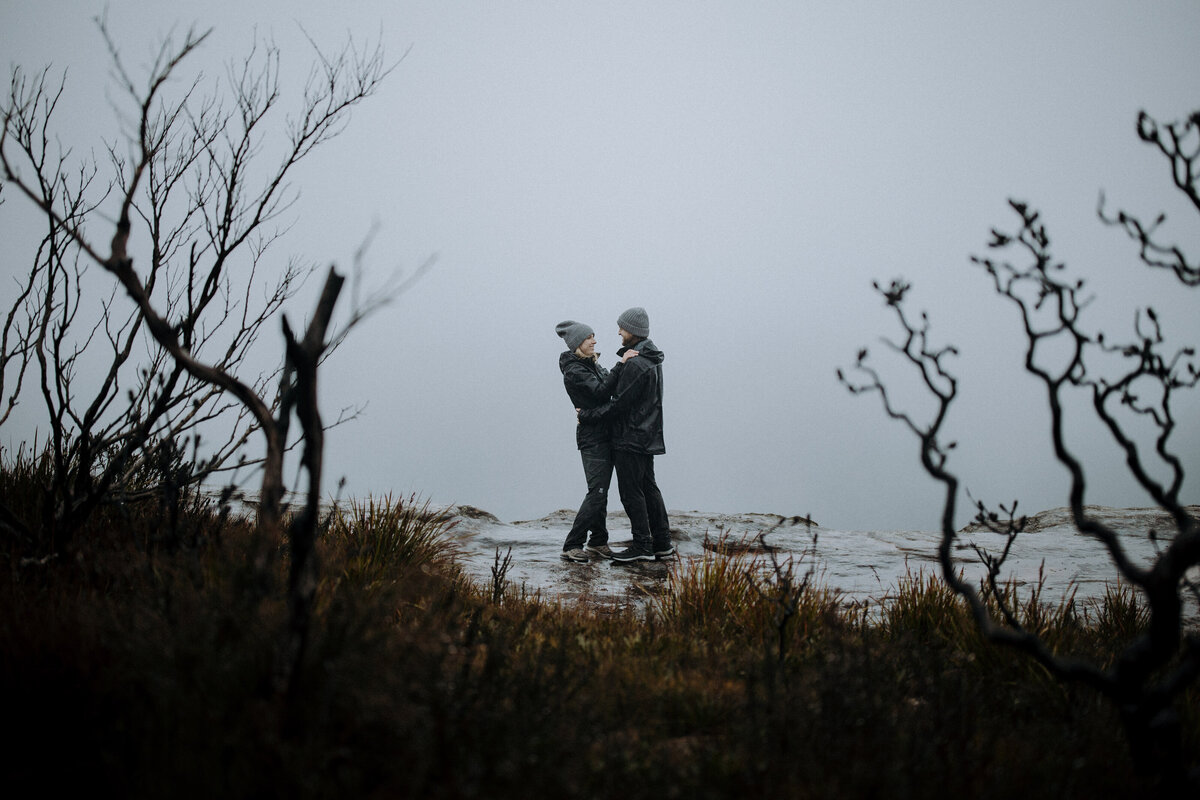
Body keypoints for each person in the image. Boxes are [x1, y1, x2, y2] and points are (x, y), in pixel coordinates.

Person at [577, 307, 671, 563]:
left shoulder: (636, 363)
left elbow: (618, 405)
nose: (619, 331)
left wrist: (586, 415)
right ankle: (662, 543)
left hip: (630, 437)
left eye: (622, 327)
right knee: (649, 487)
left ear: (633, 331)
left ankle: (642, 544)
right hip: (647, 434)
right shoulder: (652, 359)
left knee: (631, 493)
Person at [555, 320, 638, 563]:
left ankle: (598, 541)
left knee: (601, 491)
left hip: (605, 434)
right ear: (577, 343)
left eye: (593, 336)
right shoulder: (575, 370)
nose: (594, 341)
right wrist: (621, 365)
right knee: (597, 491)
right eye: (588, 337)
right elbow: (603, 392)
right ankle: (572, 545)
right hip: (592, 439)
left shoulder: (590, 364)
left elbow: (609, 390)